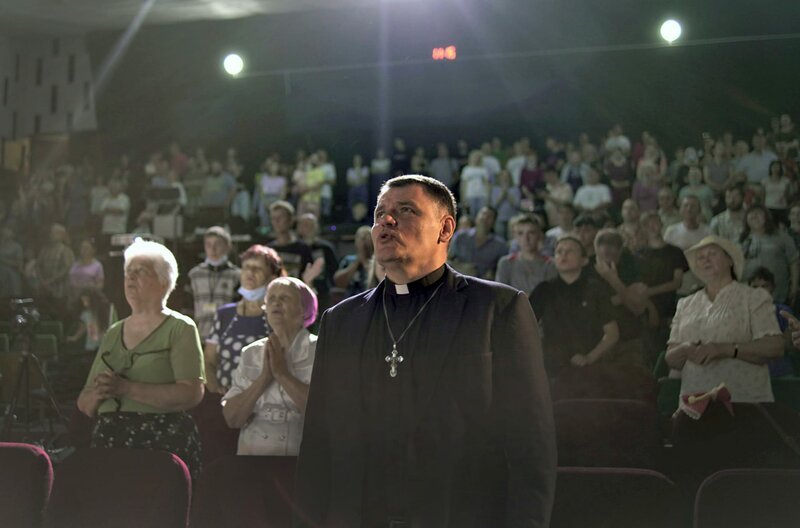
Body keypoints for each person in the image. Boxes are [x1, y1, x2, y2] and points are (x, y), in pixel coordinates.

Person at [295, 175, 556, 527]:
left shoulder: (497, 308)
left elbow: (530, 448)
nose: (386, 221)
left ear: (445, 229)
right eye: (380, 213)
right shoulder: (340, 321)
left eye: (405, 210)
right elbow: (317, 445)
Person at [77, 239, 205, 478]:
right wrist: (100, 392)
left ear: (163, 282)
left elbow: (191, 394)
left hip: (162, 446)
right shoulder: (114, 331)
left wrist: (126, 388)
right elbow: (84, 404)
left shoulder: (180, 328)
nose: (130, 278)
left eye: (140, 272)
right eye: (128, 272)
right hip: (110, 445)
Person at [222, 277, 318, 455]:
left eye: (284, 298)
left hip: (301, 456)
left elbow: (324, 413)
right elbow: (232, 419)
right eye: (271, 298)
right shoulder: (250, 352)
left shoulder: (321, 350)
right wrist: (264, 379)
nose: (276, 303)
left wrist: (282, 375)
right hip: (253, 455)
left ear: (303, 309)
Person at [204, 245, 284, 394]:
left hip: (265, 402)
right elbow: (208, 361)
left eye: (258, 268)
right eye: (246, 267)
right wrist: (215, 389)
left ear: (272, 278)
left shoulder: (277, 316)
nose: (250, 272)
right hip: (224, 401)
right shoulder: (224, 314)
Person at [188, 226, 241, 339]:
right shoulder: (194, 275)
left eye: (218, 244)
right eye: (208, 244)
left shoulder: (237, 275)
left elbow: (240, 307)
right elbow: (187, 308)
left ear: (227, 247)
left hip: (228, 335)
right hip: (199, 334)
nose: (213, 249)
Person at [740, 205, 799, 304]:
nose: (755, 216)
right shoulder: (743, 240)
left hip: (778, 295)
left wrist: (794, 288)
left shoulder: (782, 237)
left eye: (758, 213)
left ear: (767, 217)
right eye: (751, 214)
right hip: (749, 296)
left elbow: (794, 262)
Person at [495, 214, 556, 295]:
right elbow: (500, 294)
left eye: (531, 233)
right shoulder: (506, 263)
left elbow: (550, 296)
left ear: (539, 235)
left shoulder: (550, 264)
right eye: (520, 233)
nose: (526, 238)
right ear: (515, 236)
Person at [448, 205, 509, 279]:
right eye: (483, 214)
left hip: (484, 286)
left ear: (494, 223)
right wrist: (461, 267)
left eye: (489, 217)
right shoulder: (460, 237)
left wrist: (493, 274)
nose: (485, 218)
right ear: (476, 217)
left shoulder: (500, 245)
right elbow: (446, 260)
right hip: (458, 282)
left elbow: (505, 269)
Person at [334, 225, 374, 297]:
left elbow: (379, 282)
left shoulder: (379, 261)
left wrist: (365, 261)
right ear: (356, 241)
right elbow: (339, 283)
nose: (364, 241)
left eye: (367, 237)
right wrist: (357, 262)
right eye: (361, 237)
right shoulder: (348, 260)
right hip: (351, 300)